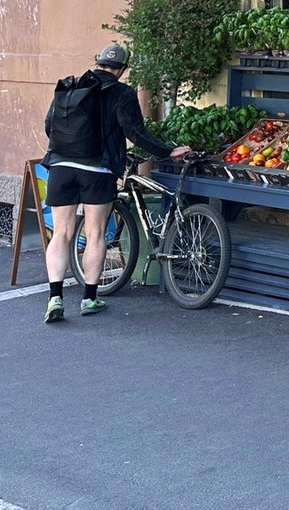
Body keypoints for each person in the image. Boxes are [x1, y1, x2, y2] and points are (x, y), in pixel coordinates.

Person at [41, 44, 191, 323]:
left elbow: (50, 125)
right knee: (96, 233)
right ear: (122, 70)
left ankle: (55, 299)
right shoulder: (122, 93)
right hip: (97, 170)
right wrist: (167, 151)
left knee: (61, 233)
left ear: (98, 63)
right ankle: (89, 298)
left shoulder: (71, 87)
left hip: (61, 167)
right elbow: (135, 132)